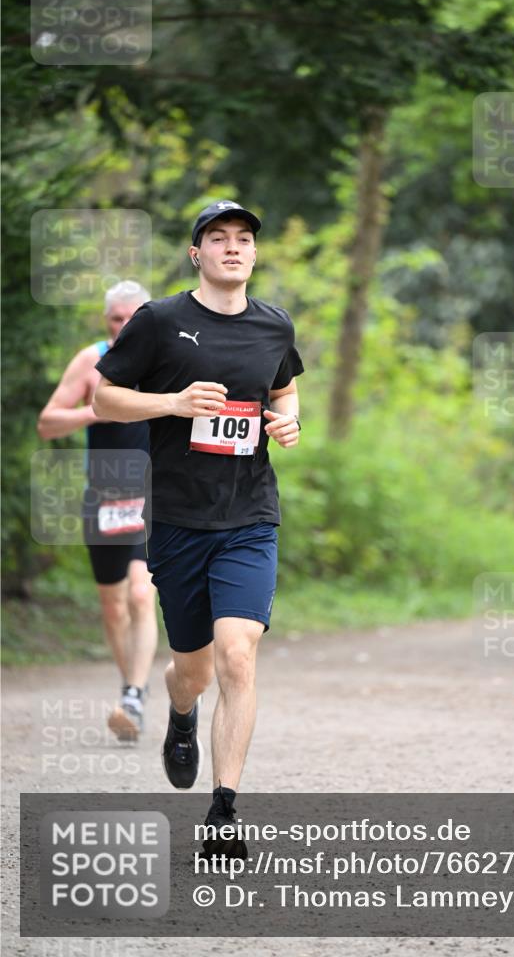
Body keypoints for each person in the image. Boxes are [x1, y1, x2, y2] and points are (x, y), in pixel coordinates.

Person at [93, 200, 304, 857]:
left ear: (253, 253)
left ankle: (223, 813)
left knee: (238, 653)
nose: (233, 248)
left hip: (249, 517)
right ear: (197, 253)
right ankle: (179, 714)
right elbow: (104, 397)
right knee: (193, 670)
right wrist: (172, 403)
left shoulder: (274, 326)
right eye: (219, 239)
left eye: (243, 239)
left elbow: (285, 389)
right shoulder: (159, 322)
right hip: (179, 520)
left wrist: (288, 422)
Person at [37, 281, 158, 742]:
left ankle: (133, 695)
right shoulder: (91, 361)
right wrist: (96, 411)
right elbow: (47, 422)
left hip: (153, 492)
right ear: (105, 321)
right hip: (105, 495)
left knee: (142, 593)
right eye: (115, 319)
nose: (125, 327)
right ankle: (131, 688)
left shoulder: (163, 358)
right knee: (113, 605)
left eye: (133, 317)